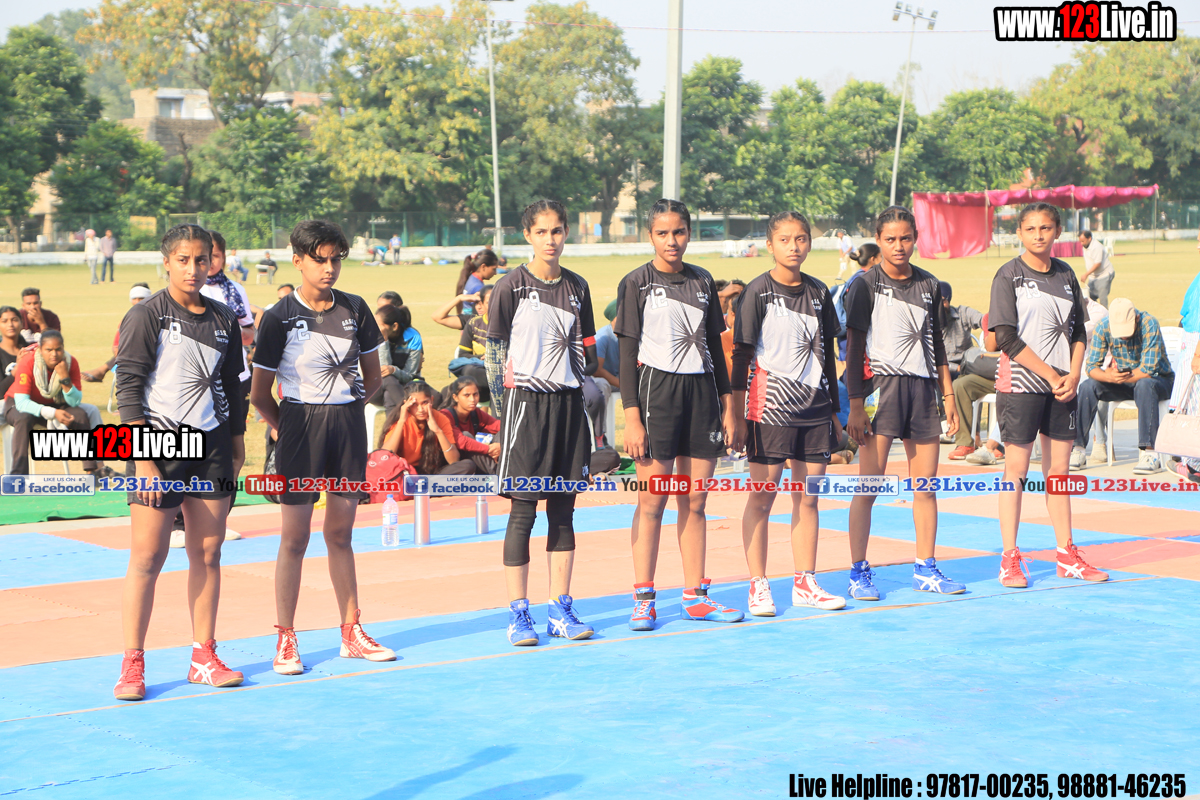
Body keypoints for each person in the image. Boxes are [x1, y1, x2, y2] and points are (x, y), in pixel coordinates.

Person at [251, 219, 395, 675]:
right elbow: (259, 395)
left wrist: (346, 413)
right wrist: (289, 427)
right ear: (297, 260)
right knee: (295, 538)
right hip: (299, 429)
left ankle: (351, 632)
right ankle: (285, 638)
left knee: (340, 534)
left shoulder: (355, 308)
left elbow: (374, 379)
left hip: (347, 429)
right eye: (320, 260)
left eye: (336, 260)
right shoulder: (278, 317)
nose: (329, 268)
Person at [111, 224, 246, 701]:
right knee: (148, 558)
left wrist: (236, 442)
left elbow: (233, 384)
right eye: (183, 260)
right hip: (158, 448)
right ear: (166, 262)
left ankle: (203, 656)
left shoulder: (225, 317)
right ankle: (132, 663)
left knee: (208, 554)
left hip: (212, 450)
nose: (193, 269)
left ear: (213, 262)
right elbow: (128, 387)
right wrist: (143, 459)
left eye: (201, 260)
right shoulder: (146, 315)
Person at [614, 198, 740, 631]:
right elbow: (626, 356)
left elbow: (715, 350)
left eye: (680, 231)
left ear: (689, 233)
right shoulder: (636, 283)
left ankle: (695, 596)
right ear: (650, 236)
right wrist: (632, 417)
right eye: (663, 233)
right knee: (653, 502)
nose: (672, 240)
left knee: (696, 501)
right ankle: (644, 597)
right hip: (657, 396)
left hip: (701, 396)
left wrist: (728, 407)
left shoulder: (703, 280)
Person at [485, 199, 598, 646]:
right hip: (525, 408)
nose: (550, 240)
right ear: (527, 236)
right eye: (541, 232)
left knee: (563, 512)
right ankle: (519, 614)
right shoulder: (510, 286)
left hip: (568, 407)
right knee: (523, 511)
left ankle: (559, 609)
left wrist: (576, 389)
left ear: (566, 233)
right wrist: (505, 413)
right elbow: (494, 357)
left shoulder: (578, 286)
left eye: (557, 231)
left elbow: (586, 352)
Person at [844, 205, 964, 600]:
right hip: (880, 392)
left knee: (925, 487)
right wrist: (856, 404)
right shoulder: (864, 285)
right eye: (891, 239)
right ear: (878, 240)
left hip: (923, 391)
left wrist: (948, 394)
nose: (899, 246)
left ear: (916, 239)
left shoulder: (930, 285)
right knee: (870, 486)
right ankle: (858, 572)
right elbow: (854, 349)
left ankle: (926, 568)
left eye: (906, 238)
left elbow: (937, 346)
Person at [730, 211, 844, 615]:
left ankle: (805, 582)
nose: (794, 247)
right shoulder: (757, 292)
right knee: (763, 498)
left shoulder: (819, 292)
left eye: (801, 239)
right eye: (784, 240)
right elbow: (741, 356)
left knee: (808, 499)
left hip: (814, 411)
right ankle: (758, 583)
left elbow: (826, 356)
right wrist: (737, 415)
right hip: (770, 410)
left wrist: (834, 411)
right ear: (769, 245)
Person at [989, 202, 1104, 588]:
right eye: (1031, 229)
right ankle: (1009, 558)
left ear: (1057, 232)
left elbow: (1079, 331)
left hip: (1063, 388)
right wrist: (1052, 375)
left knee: (1059, 474)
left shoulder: (1067, 274)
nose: (1038, 235)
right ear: (1019, 233)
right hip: (1021, 386)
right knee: (1016, 473)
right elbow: (1005, 337)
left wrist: (1074, 373)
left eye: (1046, 228)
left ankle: (1066, 555)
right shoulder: (1009, 275)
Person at [1070, 297, 1174, 474]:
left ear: (1136, 319)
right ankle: (1078, 450)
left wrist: (1117, 378)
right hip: (1123, 381)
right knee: (1088, 386)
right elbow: (1091, 367)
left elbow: (1147, 370)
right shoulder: (1103, 326)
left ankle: (1150, 453)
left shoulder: (1149, 324)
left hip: (1159, 381)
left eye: (1127, 330)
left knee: (1145, 385)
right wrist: (1108, 376)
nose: (1124, 336)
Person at [3, 330, 109, 478]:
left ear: (63, 348)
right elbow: (21, 403)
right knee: (24, 418)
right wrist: (53, 413)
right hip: (18, 404)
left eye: (58, 349)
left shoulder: (70, 363)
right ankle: (18, 477)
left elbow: (75, 402)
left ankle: (92, 472)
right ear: (40, 350)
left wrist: (65, 378)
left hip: (52, 403)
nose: (54, 354)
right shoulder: (28, 362)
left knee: (79, 415)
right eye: (49, 350)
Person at [380, 381, 476, 475]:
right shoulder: (400, 420)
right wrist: (401, 422)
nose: (420, 409)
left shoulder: (441, 418)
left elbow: (454, 460)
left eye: (425, 402)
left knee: (467, 465)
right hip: (406, 473)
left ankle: (428, 484)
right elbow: (385, 456)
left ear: (432, 400)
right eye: (414, 404)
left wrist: (438, 431)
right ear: (406, 404)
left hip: (433, 472)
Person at [947, 314, 1004, 463]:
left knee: (1011, 390)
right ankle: (965, 442)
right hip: (993, 373)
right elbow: (991, 347)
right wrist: (997, 322)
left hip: (1017, 376)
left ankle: (1000, 443)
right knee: (961, 384)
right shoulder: (990, 317)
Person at [82, 284, 152, 383]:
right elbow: (116, 345)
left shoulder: (156, 317)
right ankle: (104, 369)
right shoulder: (127, 319)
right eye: (134, 299)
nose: (137, 302)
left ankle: (103, 369)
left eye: (141, 298)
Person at [432, 286, 492, 402]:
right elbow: (437, 317)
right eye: (476, 303)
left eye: (482, 302)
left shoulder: (509, 323)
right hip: (479, 374)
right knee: (468, 371)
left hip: (499, 372)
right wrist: (459, 298)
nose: (479, 306)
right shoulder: (473, 321)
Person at [440, 376, 501, 473]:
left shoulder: (476, 413)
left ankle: (503, 469)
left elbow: (500, 426)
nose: (472, 399)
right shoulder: (445, 415)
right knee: (466, 435)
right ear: (455, 397)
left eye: (475, 394)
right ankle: (499, 473)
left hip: (474, 461)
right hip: (450, 465)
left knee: (502, 433)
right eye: (467, 395)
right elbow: (462, 441)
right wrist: (489, 449)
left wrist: (501, 446)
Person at [372, 304, 424, 411]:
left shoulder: (413, 337)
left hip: (404, 386)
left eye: (379, 325)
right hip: (373, 389)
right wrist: (383, 341)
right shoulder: (373, 335)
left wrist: (393, 370)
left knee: (389, 396)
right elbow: (383, 370)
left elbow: (410, 375)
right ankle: (409, 411)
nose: (375, 328)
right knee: (389, 379)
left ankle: (397, 421)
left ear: (395, 326)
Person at [937, 281, 984, 380]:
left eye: (943, 301)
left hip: (967, 363)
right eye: (937, 302)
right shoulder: (929, 322)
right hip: (943, 368)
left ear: (949, 300)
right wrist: (957, 368)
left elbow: (984, 320)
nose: (939, 306)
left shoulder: (963, 313)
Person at [455, 250, 501, 315]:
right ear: (483, 267)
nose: (495, 273)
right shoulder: (478, 287)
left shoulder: (471, 278)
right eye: (494, 269)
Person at [1079, 230, 1115, 306]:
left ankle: (1105, 313)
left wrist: (1086, 274)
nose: (1081, 243)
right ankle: (1095, 313)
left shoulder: (1097, 247)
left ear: (1089, 238)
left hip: (1104, 274)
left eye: (1083, 241)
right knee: (1090, 298)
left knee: (1102, 299)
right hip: (1093, 276)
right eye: (1080, 241)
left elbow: (1098, 263)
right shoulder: (1085, 246)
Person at [0, 307, 24, 398]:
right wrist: (16, 370)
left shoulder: (29, 350)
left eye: (14, 320)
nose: (10, 324)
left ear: (21, 323)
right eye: (4, 321)